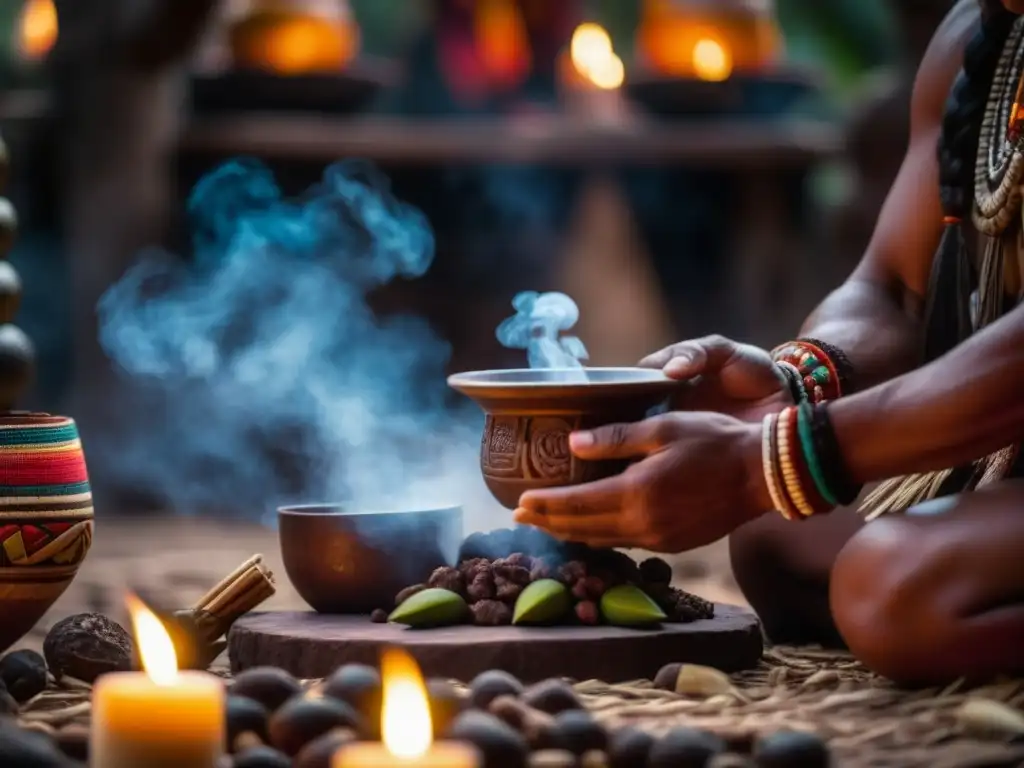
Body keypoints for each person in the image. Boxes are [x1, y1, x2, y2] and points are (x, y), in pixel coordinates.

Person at [514, 0, 1024, 686]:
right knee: (774, 543)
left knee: (890, 591)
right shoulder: (980, 40)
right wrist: (799, 381)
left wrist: (768, 461)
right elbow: (894, 289)